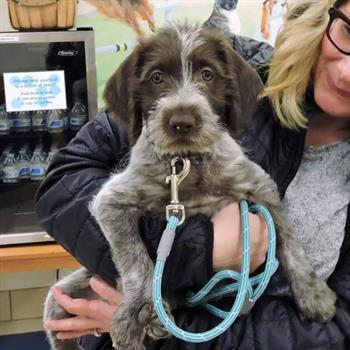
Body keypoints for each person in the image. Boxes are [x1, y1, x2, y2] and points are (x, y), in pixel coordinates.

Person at [35, 0, 350, 349]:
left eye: (205, 78)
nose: (347, 73)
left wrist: (169, 330)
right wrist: (202, 250)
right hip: (129, 311)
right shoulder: (235, 60)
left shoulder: (236, 151)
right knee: (60, 305)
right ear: (324, 15)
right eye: (348, 32)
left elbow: (336, 334)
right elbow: (63, 184)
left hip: (211, 333)